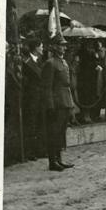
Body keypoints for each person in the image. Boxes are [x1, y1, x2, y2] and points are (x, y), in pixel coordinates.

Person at [41, 37, 74, 171]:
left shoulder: (64, 62)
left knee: (61, 133)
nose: (64, 48)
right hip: (56, 103)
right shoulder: (50, 63)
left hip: (65, 101)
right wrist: (50, 106)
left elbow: (67, 85)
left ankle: (59, 159)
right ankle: (52, 162)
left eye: (64, 45)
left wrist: (70, 103)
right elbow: (47, 87)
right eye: (61, 45)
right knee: (53, 132)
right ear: (54, 47)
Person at [22, 38, 46, 160]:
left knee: (40, 124)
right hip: (31, 99)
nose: (43, 48)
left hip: (40, 98)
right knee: (31, 125)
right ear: (36, 48)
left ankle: (40, 150)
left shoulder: (40, 61)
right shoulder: (26, 62)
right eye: (41, 46)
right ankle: (30, 152)